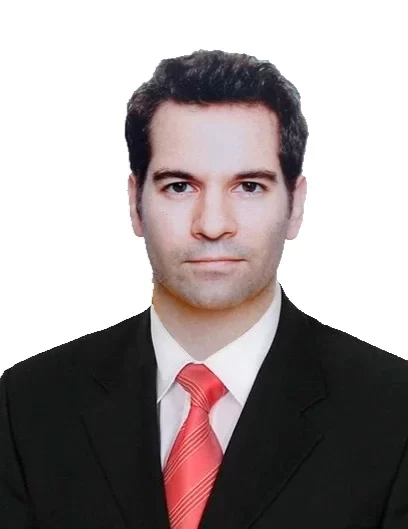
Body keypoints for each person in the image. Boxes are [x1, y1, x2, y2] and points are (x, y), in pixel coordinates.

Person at [1, 49, 408, 529]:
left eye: (249, 186)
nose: (213, 224)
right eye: (180, 186)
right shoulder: (28, 406)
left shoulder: (394, 412)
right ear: (135, 203)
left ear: (295, 205)